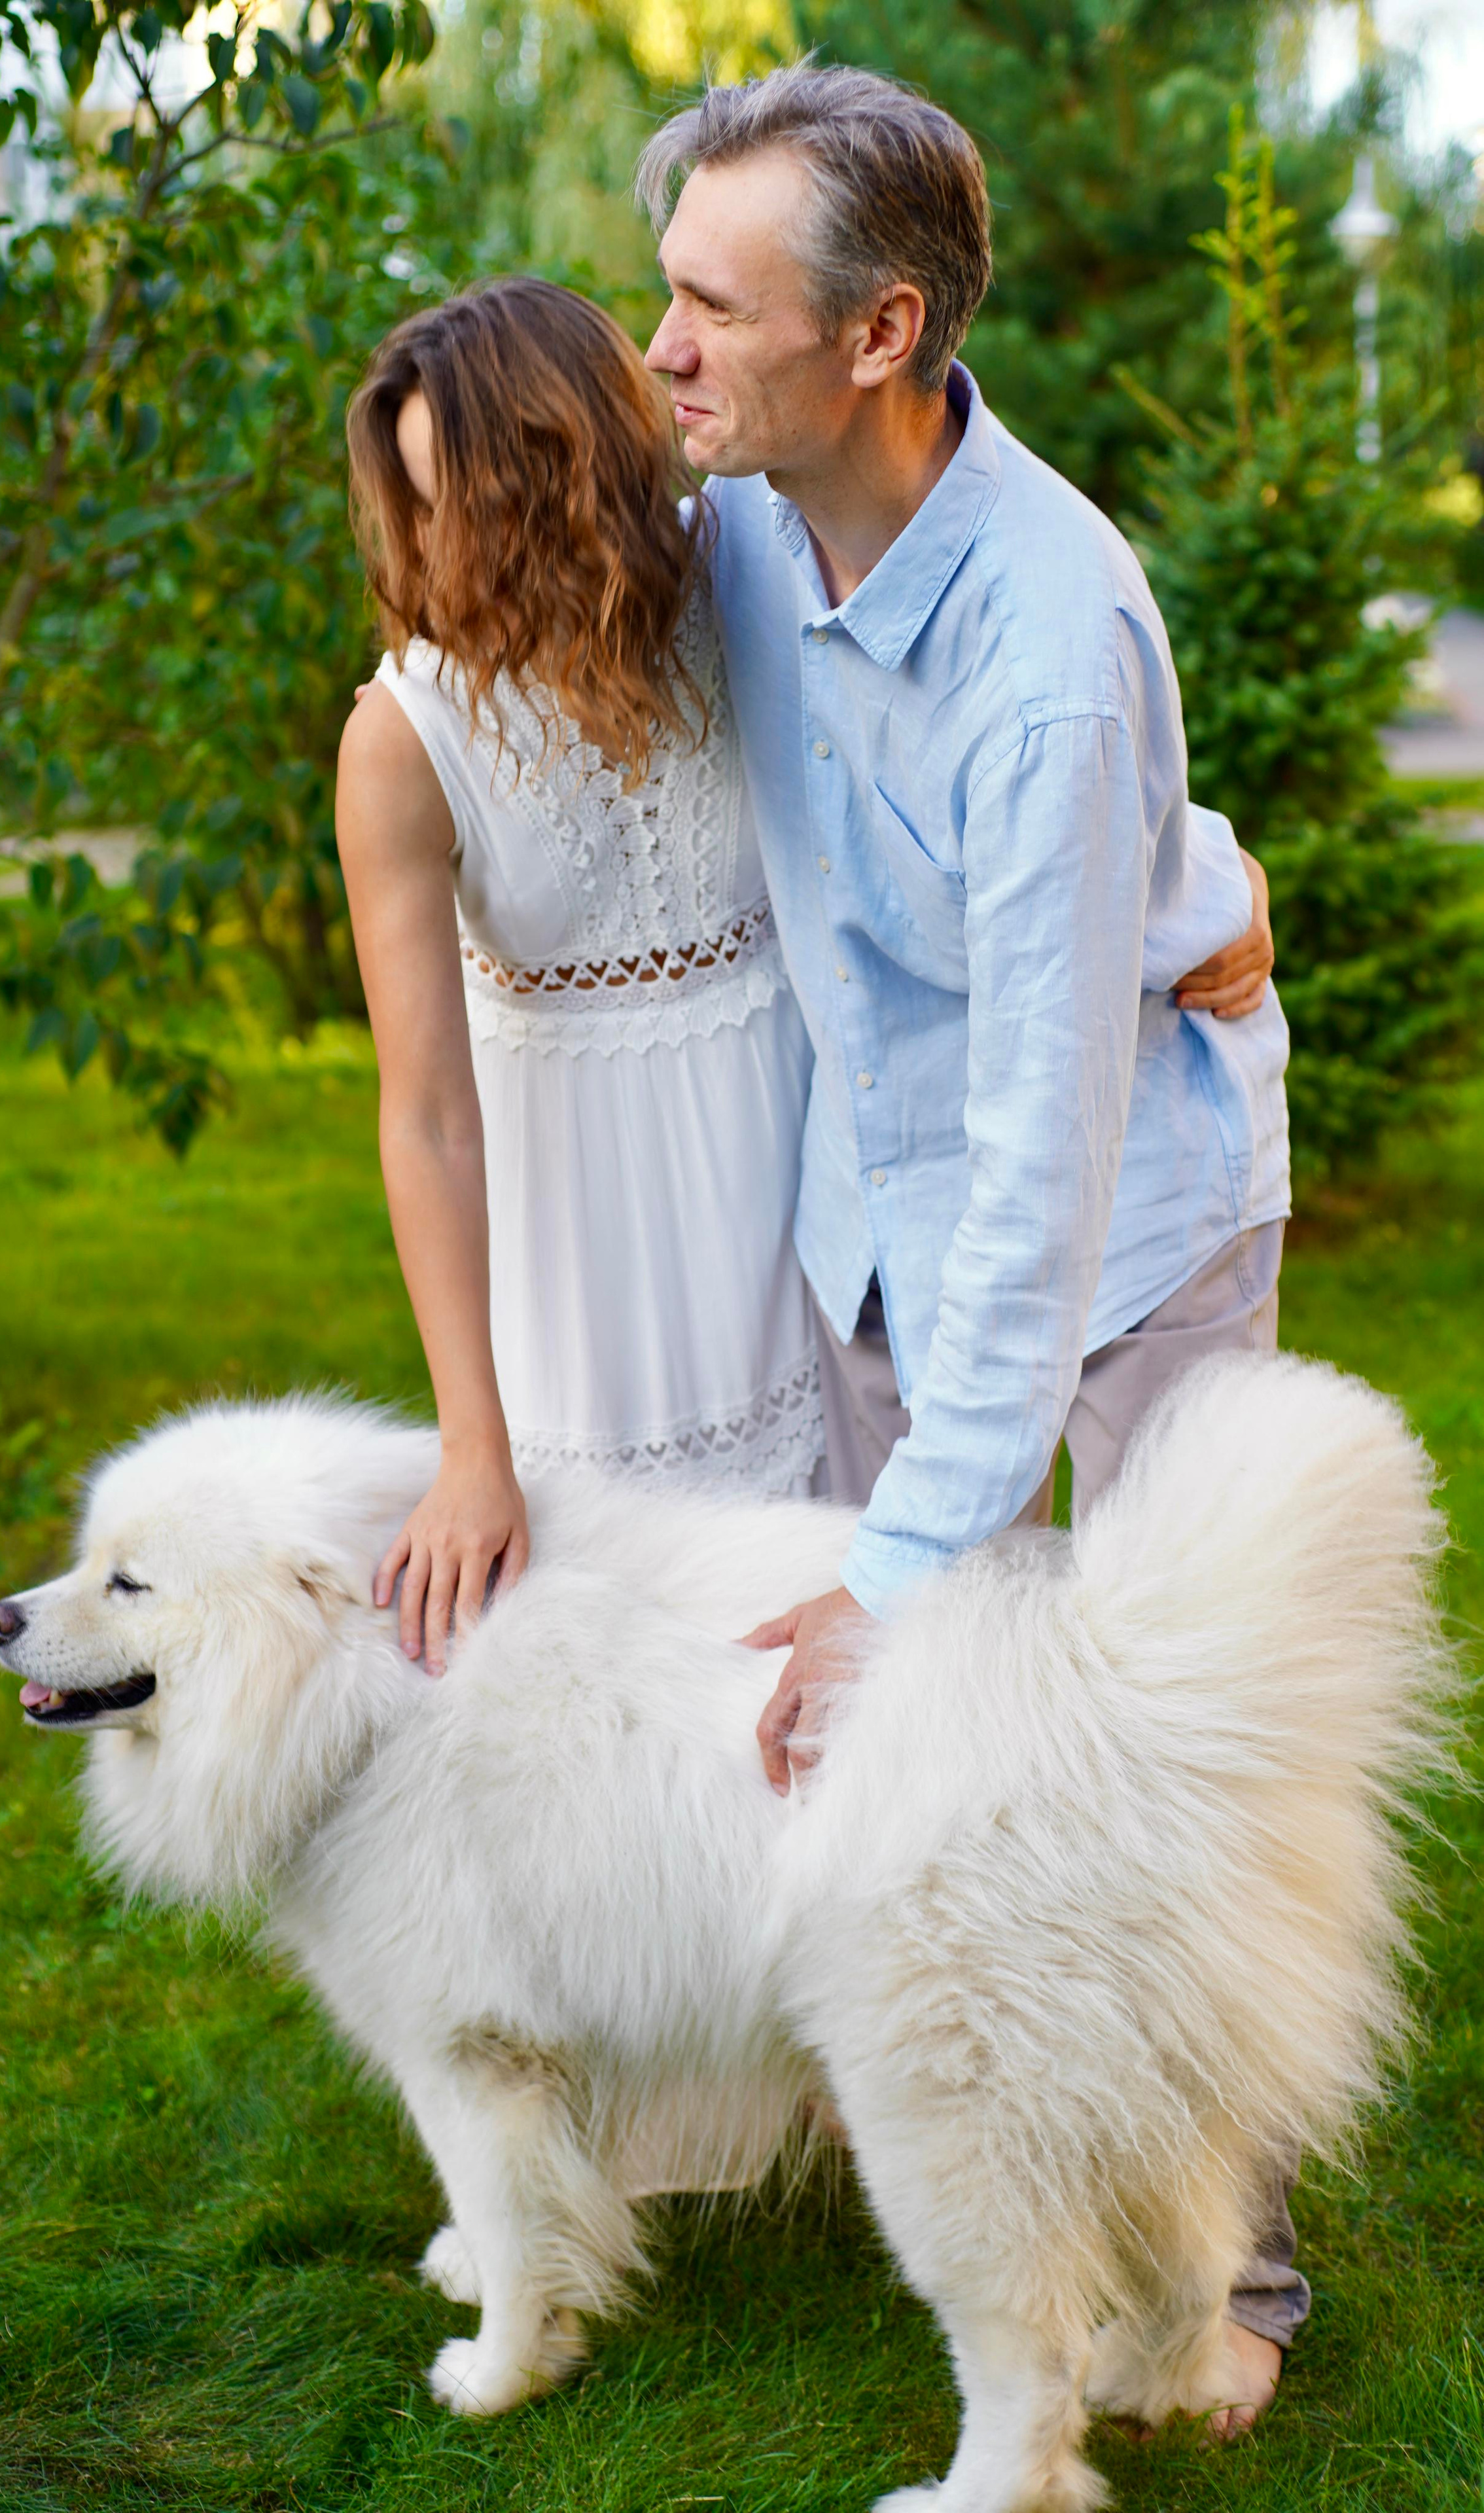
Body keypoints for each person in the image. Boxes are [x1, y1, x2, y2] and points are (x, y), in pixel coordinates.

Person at [637, 58, 1299, 2430]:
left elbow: (1043, 1147)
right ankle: (965, 2147)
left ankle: (1227, 2283)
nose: (665, 351)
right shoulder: (737, 513)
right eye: (665, 290)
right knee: (935, 1764)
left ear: (884, 332)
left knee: (1136, 1760)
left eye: (712, 305)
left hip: (1118, 1243)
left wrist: (918, 1551)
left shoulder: (1046, 639)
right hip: (876, 1227)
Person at [334, 279, 826, 1677]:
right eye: (415, 506)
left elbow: (973, 706)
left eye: (468, 505)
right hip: (584, 1280)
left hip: (804, 1206)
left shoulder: (747, 571)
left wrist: (1199, 877)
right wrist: (469, 1448)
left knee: (836, 1671)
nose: (438, 551)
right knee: (632, 1694)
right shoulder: (403, 737)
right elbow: (425, 1116)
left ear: (575, 473)